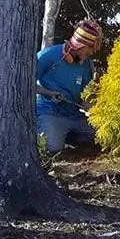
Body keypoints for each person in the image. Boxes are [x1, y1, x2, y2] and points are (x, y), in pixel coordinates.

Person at [35, 19, 104, 154]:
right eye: (89, 50)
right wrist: (49, 93)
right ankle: (51, 134)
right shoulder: (48, 56)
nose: (90, 54)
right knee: (52, 148)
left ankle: (67, 136)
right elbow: (27, 84)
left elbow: (84, 96)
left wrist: (95, 111)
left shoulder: (86, 65)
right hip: (49, 112)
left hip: (74, 115)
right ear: (80, 44)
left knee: (101, 137)